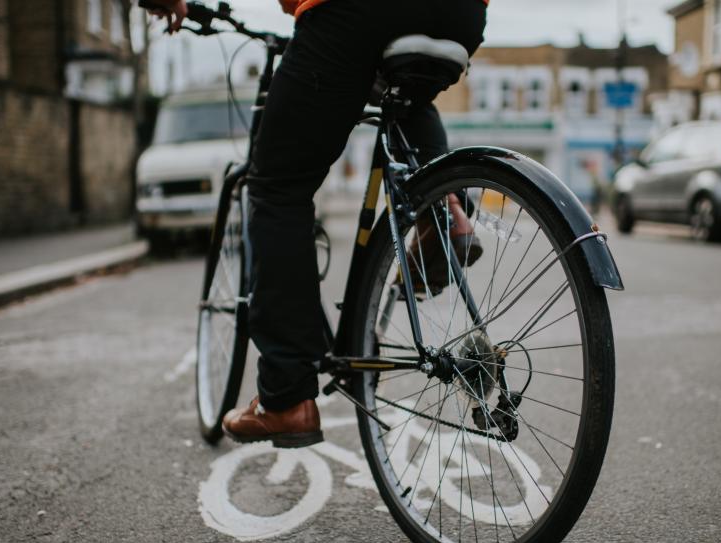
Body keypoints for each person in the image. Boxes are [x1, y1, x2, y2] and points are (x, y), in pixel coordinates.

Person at [144, 0, 488, 448]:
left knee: (275, 187)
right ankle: (445, 214)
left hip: (353, 12)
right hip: (460, 13)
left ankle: (286, 397)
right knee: (404, 99)